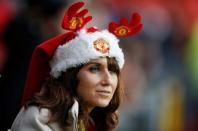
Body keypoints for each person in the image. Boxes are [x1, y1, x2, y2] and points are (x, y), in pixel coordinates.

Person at [10, 1, 142, 131]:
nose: (107, 80)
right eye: (94, 69)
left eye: (113, 71)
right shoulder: (38, 119)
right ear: (70, 76)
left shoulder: (97, 121)